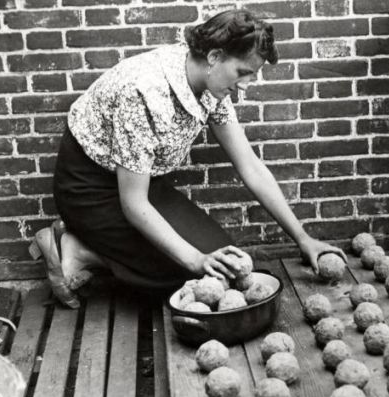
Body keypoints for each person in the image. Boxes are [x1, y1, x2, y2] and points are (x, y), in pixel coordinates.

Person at [29, 8, 345, 308]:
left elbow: (249, 166)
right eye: (243, 73)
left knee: (223, 260)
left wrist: (303, 238)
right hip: (89, 189)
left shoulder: (213, 84)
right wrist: (195, 260)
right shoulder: (143, 92)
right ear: (214, 56)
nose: (246, 86)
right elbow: (134, 204)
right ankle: (79, 249)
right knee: (195, 269)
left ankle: (91, 248)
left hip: (139, 182)